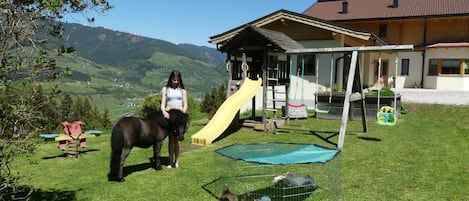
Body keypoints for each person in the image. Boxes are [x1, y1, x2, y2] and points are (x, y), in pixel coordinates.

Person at [160, 70, 188, 168]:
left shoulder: (183, 91)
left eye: (177, 79)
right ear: (171, 79)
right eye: (174, 79)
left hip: (179, 116)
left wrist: (182, 113)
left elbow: (185, 106)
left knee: (177, 140)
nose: (175, 81)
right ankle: (170, 162)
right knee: (171, 139)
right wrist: (164, 112)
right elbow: (162, 105)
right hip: (169, 115)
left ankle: (177, 161)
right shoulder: (165, 89)